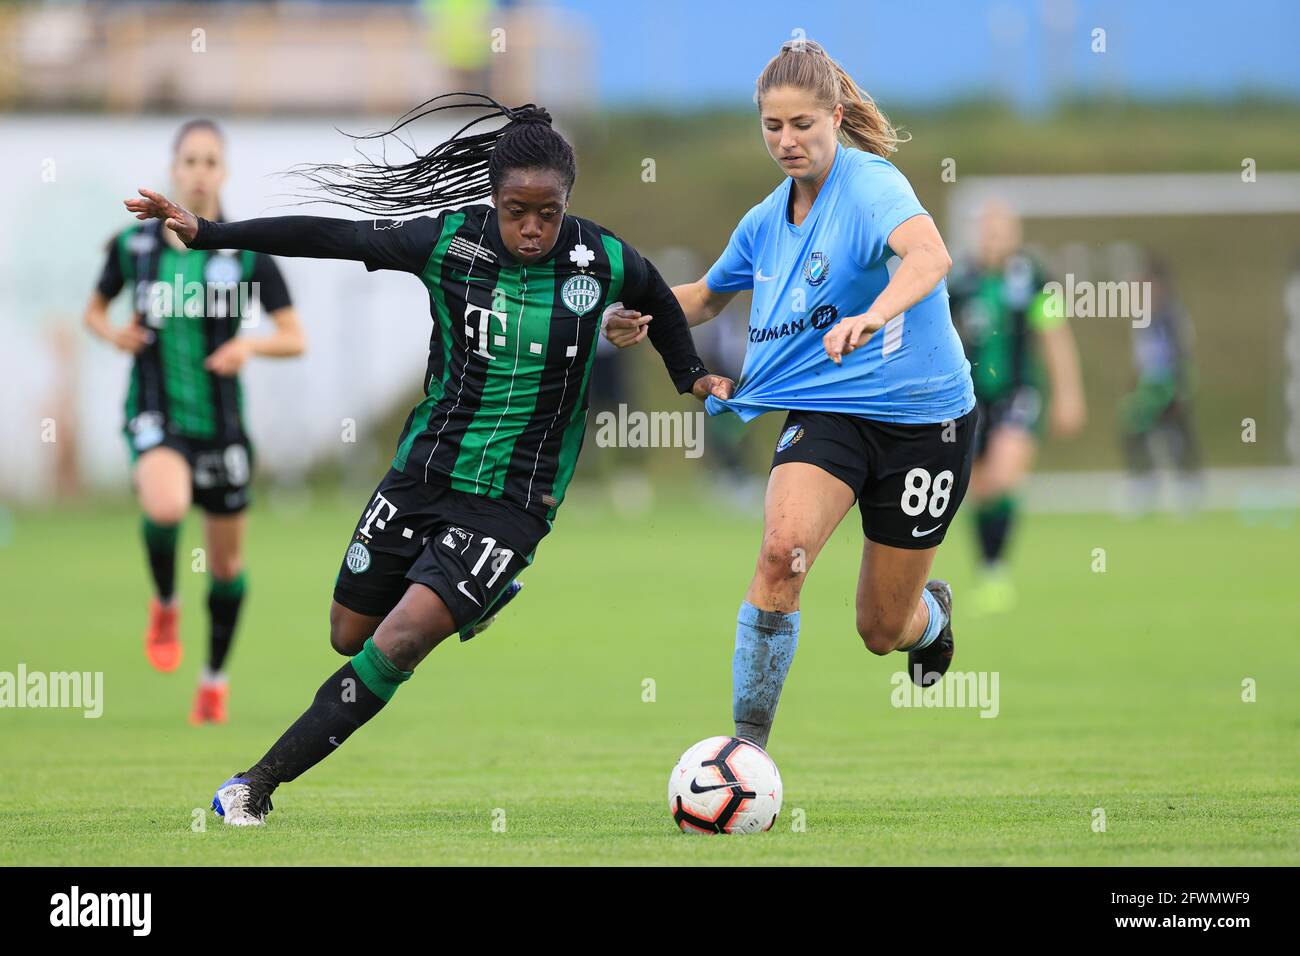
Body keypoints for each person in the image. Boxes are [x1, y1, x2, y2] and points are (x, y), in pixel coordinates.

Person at [123, 94, 731, 825]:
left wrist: (689, 375)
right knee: (347, 633)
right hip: (422, 474)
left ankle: (254, 785)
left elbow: (660, 299)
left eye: (547, 210)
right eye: (516, 210)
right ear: (493, 198)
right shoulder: (447, 243)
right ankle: (484, 596)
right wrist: (213, 230)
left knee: (398, 641)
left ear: (567, 200)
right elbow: (334, 235)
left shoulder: (597, 256)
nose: (532, 227)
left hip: (513, 501)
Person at [605, 40, 977, 755]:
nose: (786, 141)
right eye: (772, 126)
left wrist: (874, 313)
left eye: (802, 124)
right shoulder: (764, 222)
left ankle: (931, 619)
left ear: (836, 116)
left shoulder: (872, 186)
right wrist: (639, 315)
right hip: (831, 413)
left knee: (880, 629)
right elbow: (709, 298)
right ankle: (746, 756)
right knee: (782, 555)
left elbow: (931, 256)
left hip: (927, 422)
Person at [85, 118, 305, 723]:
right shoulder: (134, 248)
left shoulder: (245, 252)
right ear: (174, 169)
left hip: (223, 427)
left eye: (211, 161)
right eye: (190, 161)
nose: (199, 172)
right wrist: (113, 332)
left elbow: (294, 336)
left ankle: (212, 680)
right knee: (164, 506)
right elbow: (94, 312)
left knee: (228, 566)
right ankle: (165, 602)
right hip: (156, 413)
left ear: (223, 172)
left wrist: (248, 347)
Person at [947, 200, 1085, 613]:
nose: (994, 239)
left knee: (1004, 475)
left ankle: (996, 572)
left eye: (1001, 231)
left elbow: (1055, 334)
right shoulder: (960, 282)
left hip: (1019, 392)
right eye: (987, 231)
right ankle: (989, 568)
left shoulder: (1035, 280)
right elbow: (941, 336)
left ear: (1015, 235)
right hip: (972, 397)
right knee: (980, 486)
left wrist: (1068, 393)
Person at [1120, 254, 1201, 514]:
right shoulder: (1142, 316)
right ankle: (1143, 483)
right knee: (1133, 429)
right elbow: (1141, 355)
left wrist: (1180, 388)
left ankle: (1189, 486)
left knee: (1178, 431)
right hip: (1148, 385)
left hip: (1170, 383)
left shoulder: (1171, 315)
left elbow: (1182, 351)